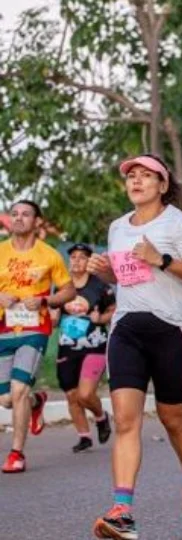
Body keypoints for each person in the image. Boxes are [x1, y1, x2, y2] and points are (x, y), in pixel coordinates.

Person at [88, 153, 182, 539]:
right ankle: (122, 510)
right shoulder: (117, 228)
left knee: (174, 419)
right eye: (132, 176)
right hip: (126, 330)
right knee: (127, 420)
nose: (137, 181)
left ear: (163, 185)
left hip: (170, 331)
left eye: (146, 175)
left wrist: (161, 259)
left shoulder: (180, 223)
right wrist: (107, 271)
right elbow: (128, 277)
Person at [0, 200, 76, 473]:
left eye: (26, 214)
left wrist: (46, 300)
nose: (19, 219)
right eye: (15, 214)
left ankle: (16, 454)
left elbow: (69, 291)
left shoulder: (49, 255)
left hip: (35, 329)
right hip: (3, 330)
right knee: (7, 399)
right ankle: (36, 402)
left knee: (19, 390)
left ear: (36, 222)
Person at [53, 243, 114, 453]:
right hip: (67, 346)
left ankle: (101, 417)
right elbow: (55, 314)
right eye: (74, 257)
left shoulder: (99, 286)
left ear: (89, 261)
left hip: (94, 345)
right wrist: (52, 315)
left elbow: (114, 310)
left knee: (85, 394)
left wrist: (101, 318)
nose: (77, 261)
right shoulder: (62, 286)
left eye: (82, 257)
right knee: (71, 395)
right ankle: (84, 436)